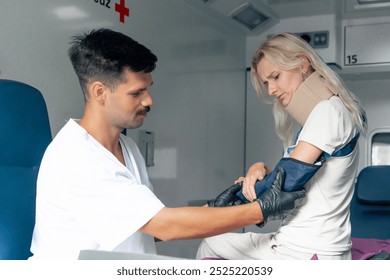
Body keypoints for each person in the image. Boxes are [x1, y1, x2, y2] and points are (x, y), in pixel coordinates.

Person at [29, 29, 305, 260]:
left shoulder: (127, 147)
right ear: (100, 92)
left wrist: (216, 209)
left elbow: (148, 228)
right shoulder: (77, 157)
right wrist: (259, 209)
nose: (149, 100)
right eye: (136, 92)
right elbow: (167, 226)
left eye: (148, 89)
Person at [196, 32, 367, 260]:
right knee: (211, 243)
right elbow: (295, 178)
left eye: (275, 77)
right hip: (308, 245)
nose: (271, 90)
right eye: (267, 83)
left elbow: (286, 183)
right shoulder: (321, 117)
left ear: (302, 64)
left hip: (305, 251)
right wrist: (262, 169)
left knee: (210, 243)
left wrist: (222, 205)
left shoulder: (328, 111)